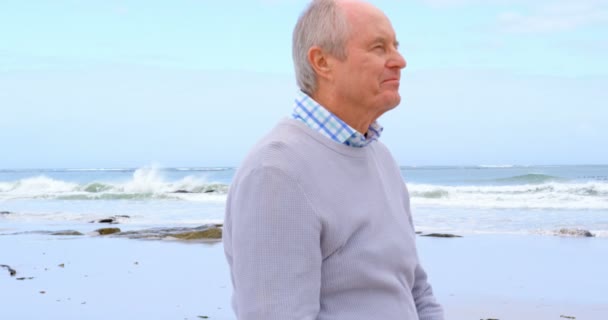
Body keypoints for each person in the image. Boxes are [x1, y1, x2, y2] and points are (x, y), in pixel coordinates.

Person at [222, 0, 445, 319]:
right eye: (379, 47)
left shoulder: (379, 156)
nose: (400, 61)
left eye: (395, 46)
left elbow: (416, 291)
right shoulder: (276, 172)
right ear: (322, 61)